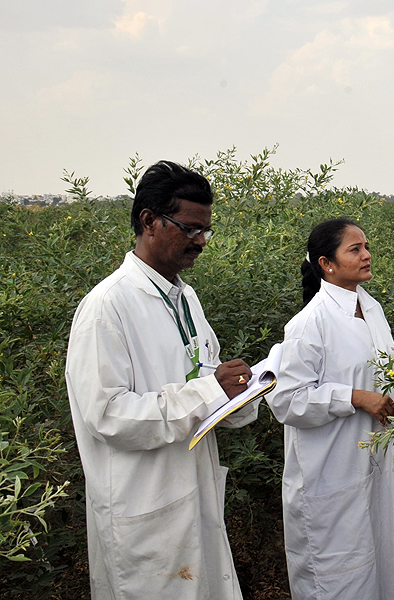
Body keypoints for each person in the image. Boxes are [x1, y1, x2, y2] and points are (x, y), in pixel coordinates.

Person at [65, 161, 258, 600]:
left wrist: (241, 391)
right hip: (145, 512)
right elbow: (108, 415)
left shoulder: (185, 297)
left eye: (206, 230)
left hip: (192, 496)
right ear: (150, 221)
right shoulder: (106, 308)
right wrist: (210, 391)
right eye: (190, 229)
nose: (201, 242)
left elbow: (201, 375)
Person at [268, 218, 394, 600]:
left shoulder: (371, 310)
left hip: (379, 462)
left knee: (390, 561)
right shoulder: (309, 324)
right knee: (342, 575)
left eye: (366, 246)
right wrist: (355, 397)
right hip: (333, 470)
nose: (367, 254)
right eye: (355, 249)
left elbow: (385, 370)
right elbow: (287, 400)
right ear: (327, 263)